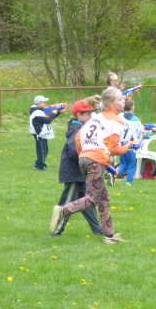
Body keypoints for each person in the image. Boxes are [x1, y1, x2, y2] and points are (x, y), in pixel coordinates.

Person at [49, 87, 130, 244]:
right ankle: (63, 210)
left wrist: (84, 154)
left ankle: (109, 235)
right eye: (120, 99)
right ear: (111, 104)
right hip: (95, 159)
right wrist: (128, 146)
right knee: (92, 199)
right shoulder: (116, 121)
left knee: (103, 198)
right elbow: (114, 149)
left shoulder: (95, 118)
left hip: (85, 158)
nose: (124, 101)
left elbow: (78, 138)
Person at [51, 98, 104, 237]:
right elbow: (73, 151)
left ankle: (98, 230)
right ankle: (56, 231)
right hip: (73, 173)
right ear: (79, 115)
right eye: (88, 114)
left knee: (87, 201)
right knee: (67, 202)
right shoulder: (77, 130)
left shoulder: (82, 128)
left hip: (80, 173)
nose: (91, 117)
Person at [117, 97, 144, 186]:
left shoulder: (120, 116)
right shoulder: (136, 120)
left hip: (121, 145)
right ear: (132, 107)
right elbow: (141, 131)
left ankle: (114, 173)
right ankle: (129, 182)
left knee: (123, 164)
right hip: (131, 146)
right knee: (131, 165)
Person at [29, 95, 60, 170]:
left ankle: (38, 164)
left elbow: (48, 118)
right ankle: (41, 166)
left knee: (44, 149)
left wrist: (58, 112)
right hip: (39, 133)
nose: (45, 104)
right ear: (39, 103)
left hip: (40, 132)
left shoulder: (39, 111)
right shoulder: (37, 112)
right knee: (42, 150)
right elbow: (48, 120)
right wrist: (54, 113)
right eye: (43, 102)